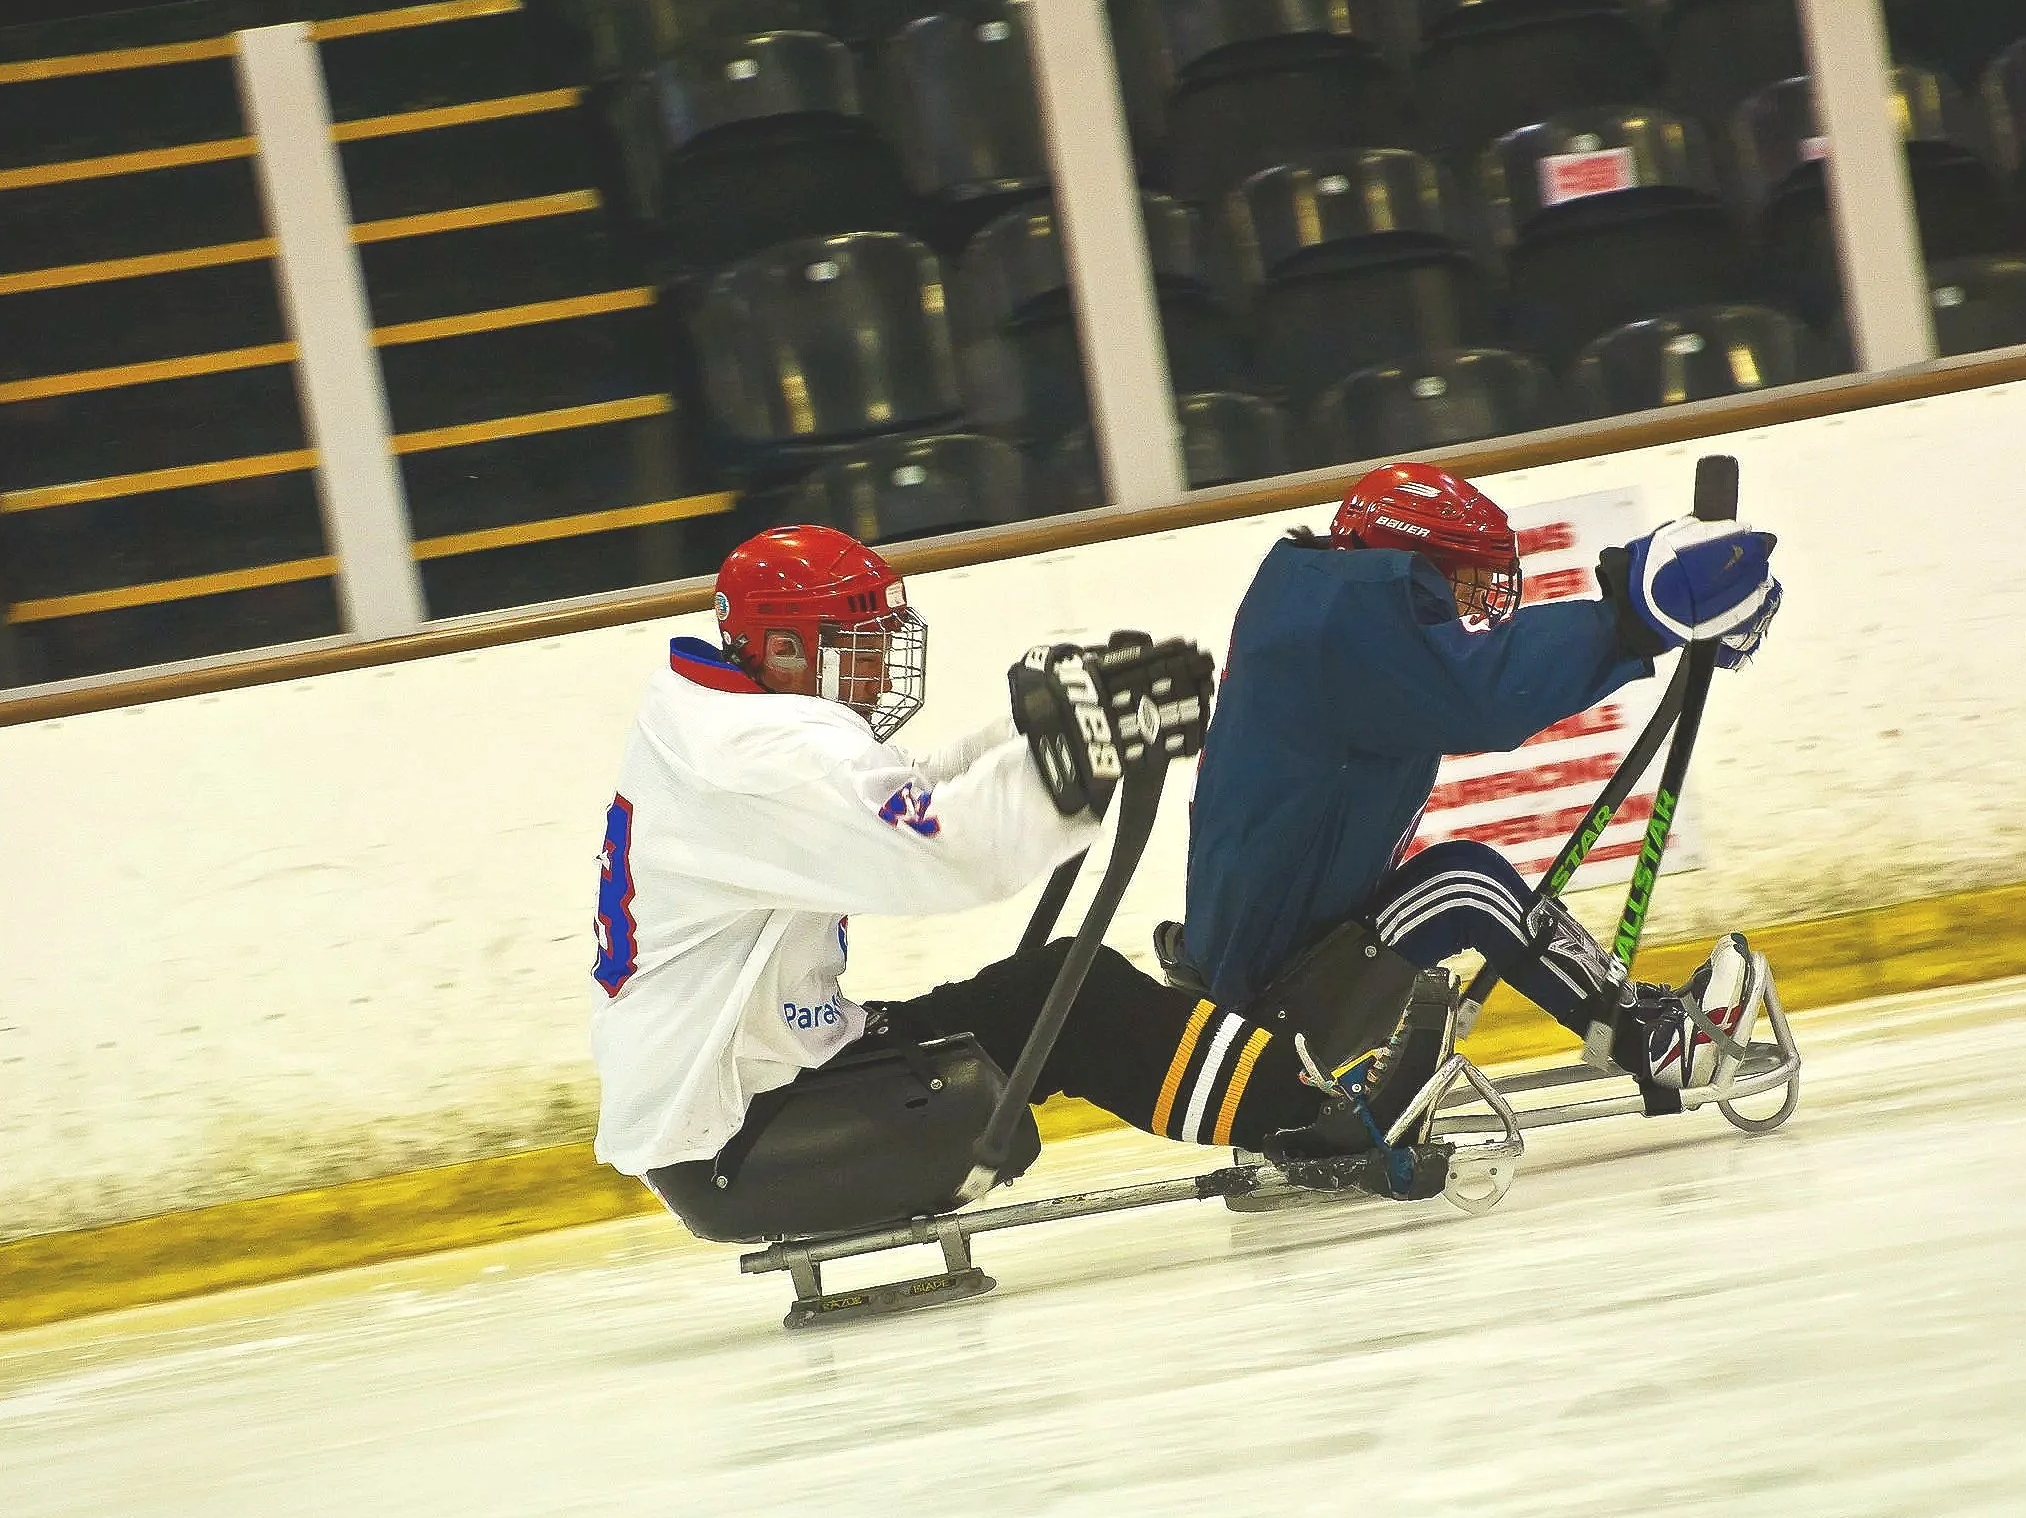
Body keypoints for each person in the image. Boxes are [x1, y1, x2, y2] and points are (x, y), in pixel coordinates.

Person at [588, 525, 1341, 1235]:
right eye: (858, 646)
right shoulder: (755, 760)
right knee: (1081, 1009)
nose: (880, 670)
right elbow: (944, 854)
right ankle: (1319, 1121)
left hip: (747, 1097)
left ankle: (1298, 1108)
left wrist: (1033, 732)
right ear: (782, 649)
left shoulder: (716, 720)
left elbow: (902, 791)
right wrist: (1073, 756)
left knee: (1059, 988)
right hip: (738, 1137)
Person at [1173, 461, 1783, 1147]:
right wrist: (1635, 617)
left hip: (1270, 960)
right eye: (1458, 579)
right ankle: (1656, 1045)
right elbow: (1484, 694)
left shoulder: (1315, 602)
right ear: (1403, 558)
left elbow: (1473, 684)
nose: (1467, 605)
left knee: (1461, 882)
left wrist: (1651, 619)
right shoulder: (1340, 618)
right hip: (1271, 999)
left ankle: (1634, 1016)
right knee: (1465, 886)